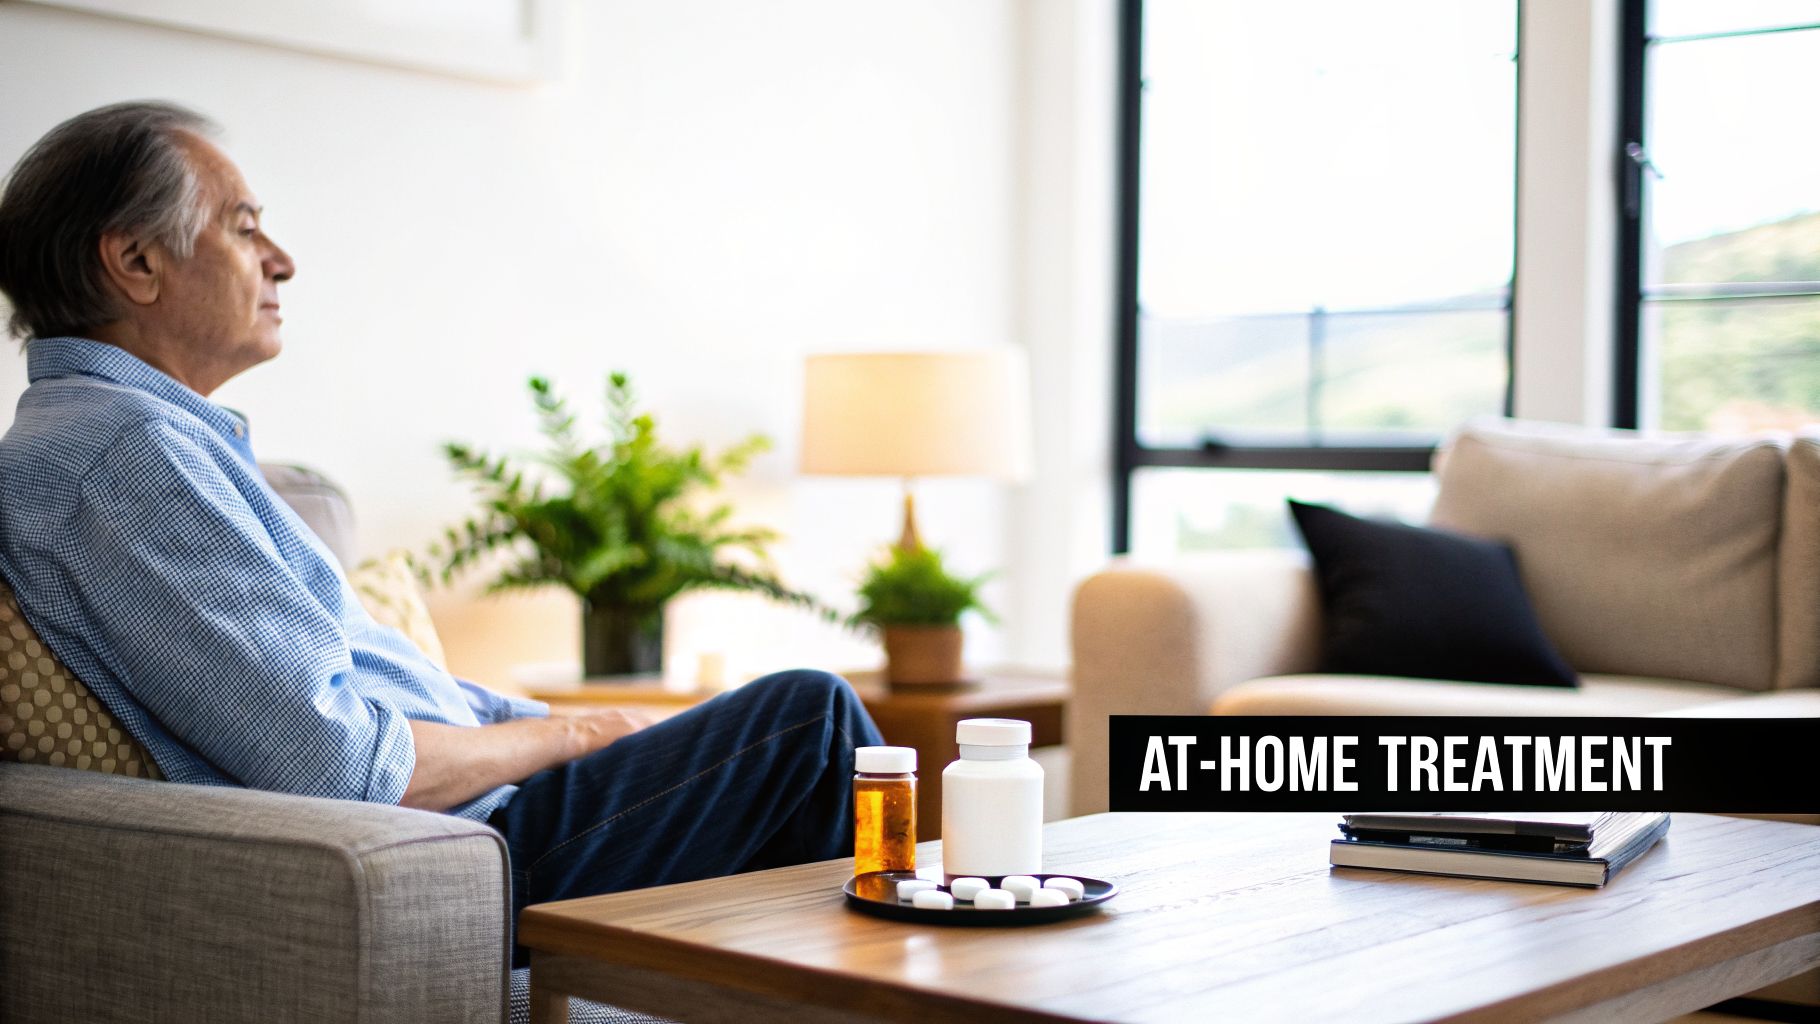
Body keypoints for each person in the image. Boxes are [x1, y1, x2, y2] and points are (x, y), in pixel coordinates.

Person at [0, 101, 883, 960]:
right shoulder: (125, 455)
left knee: (808, 785)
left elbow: (407, 698)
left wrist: (598, 727)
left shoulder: (154, 441)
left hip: (474, 816)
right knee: (811, 719)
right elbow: (340, 764)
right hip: (457, 848)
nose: (282, 261)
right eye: (243, 228)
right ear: (135, 262)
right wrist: (569, 737)